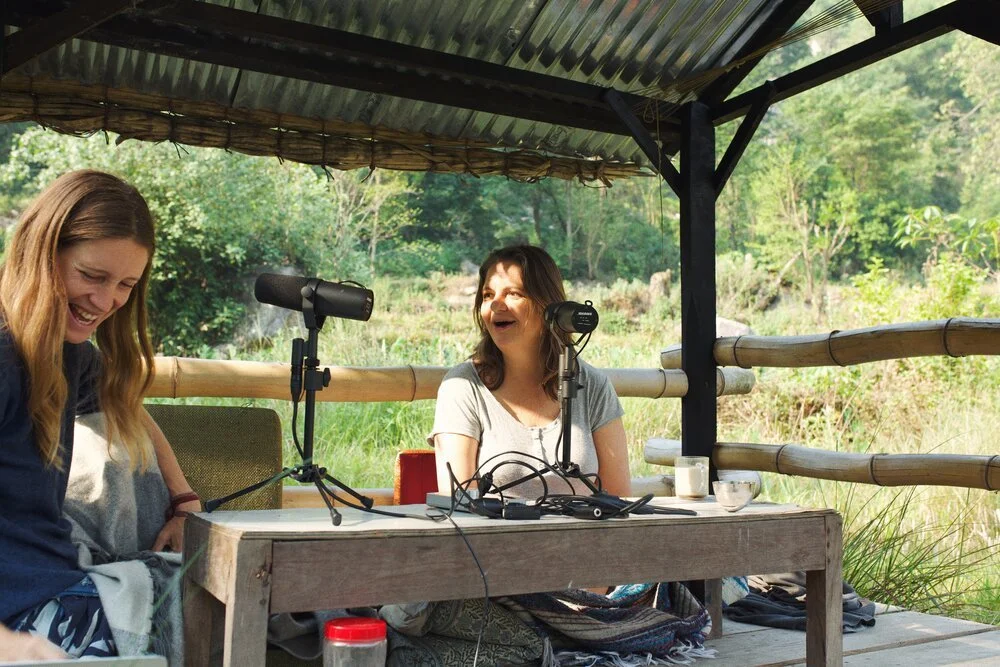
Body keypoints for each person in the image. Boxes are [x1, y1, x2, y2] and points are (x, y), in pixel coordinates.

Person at [0, 170, 200, 661]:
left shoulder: (67, 352)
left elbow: (122, 402)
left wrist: (183, 500)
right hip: (19, 612)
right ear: (42, 251)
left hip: (59, 578)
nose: (107, 301)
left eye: (125, 284)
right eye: (92, 276)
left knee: (239, 599)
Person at [430, 244, 631, 501]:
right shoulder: (462, 387)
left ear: (549, 306)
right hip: (488, 530)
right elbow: (458, 501)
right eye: (488, 295)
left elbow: (619, 497)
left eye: (513, 294)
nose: (496, 305)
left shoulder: (593, 385)